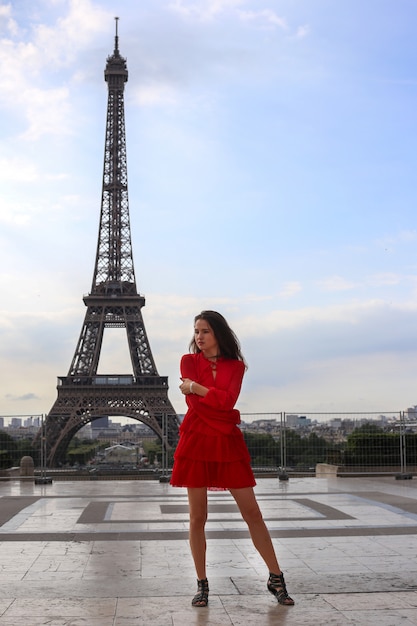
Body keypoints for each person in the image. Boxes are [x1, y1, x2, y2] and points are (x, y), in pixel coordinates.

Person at [170, 310, 294, 608]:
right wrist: (208, 397)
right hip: (198, 439)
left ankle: (275, 577)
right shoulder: (188, 361)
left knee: (253, 514)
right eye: (196, 331)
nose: (198, 337)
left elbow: (227, 402)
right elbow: (196, 404)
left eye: (205, 331)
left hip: (225, 440)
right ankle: (202, 584)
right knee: (198, 517)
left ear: (219, 334)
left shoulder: (236, 366)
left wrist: (198, 388)